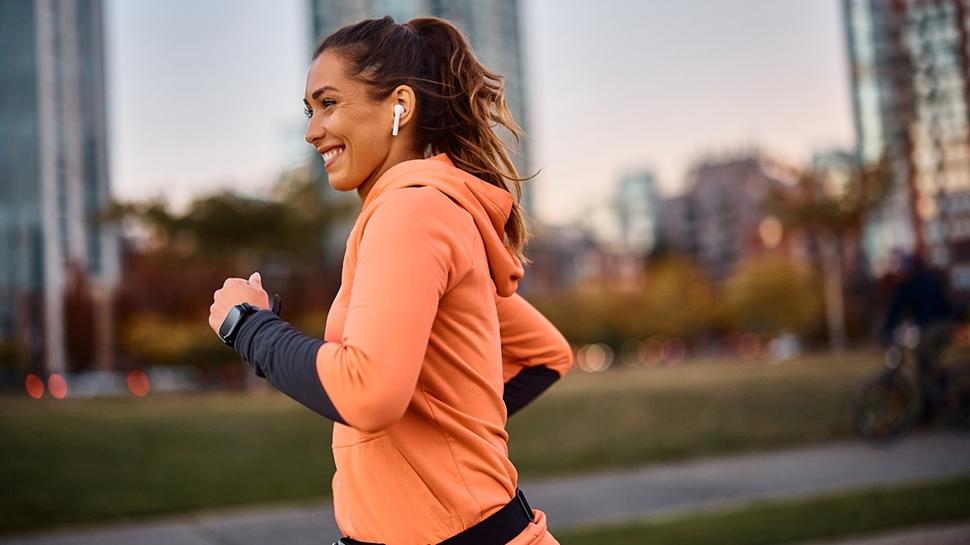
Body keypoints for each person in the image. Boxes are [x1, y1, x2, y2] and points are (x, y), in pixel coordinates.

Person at [207, 15, 573, 545]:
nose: (312, 131)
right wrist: (438, 427)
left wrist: (247, 325)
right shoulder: (427, 213)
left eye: (329, 103)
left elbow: (369, 393)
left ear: (399, 105)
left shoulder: (410, 214)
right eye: (309, 110)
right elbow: (546, 352)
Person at [879, 252, 958, 423]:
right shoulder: (903, 287)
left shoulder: (925, 281)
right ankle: (927, 408)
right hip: (926, 325)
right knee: (920, 367)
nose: (901, 274)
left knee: (925, 348)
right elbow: (894, 311)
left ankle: (942, 387)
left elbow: (929, 309)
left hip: (942, 322)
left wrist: (918, 329)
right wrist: (885, 331)